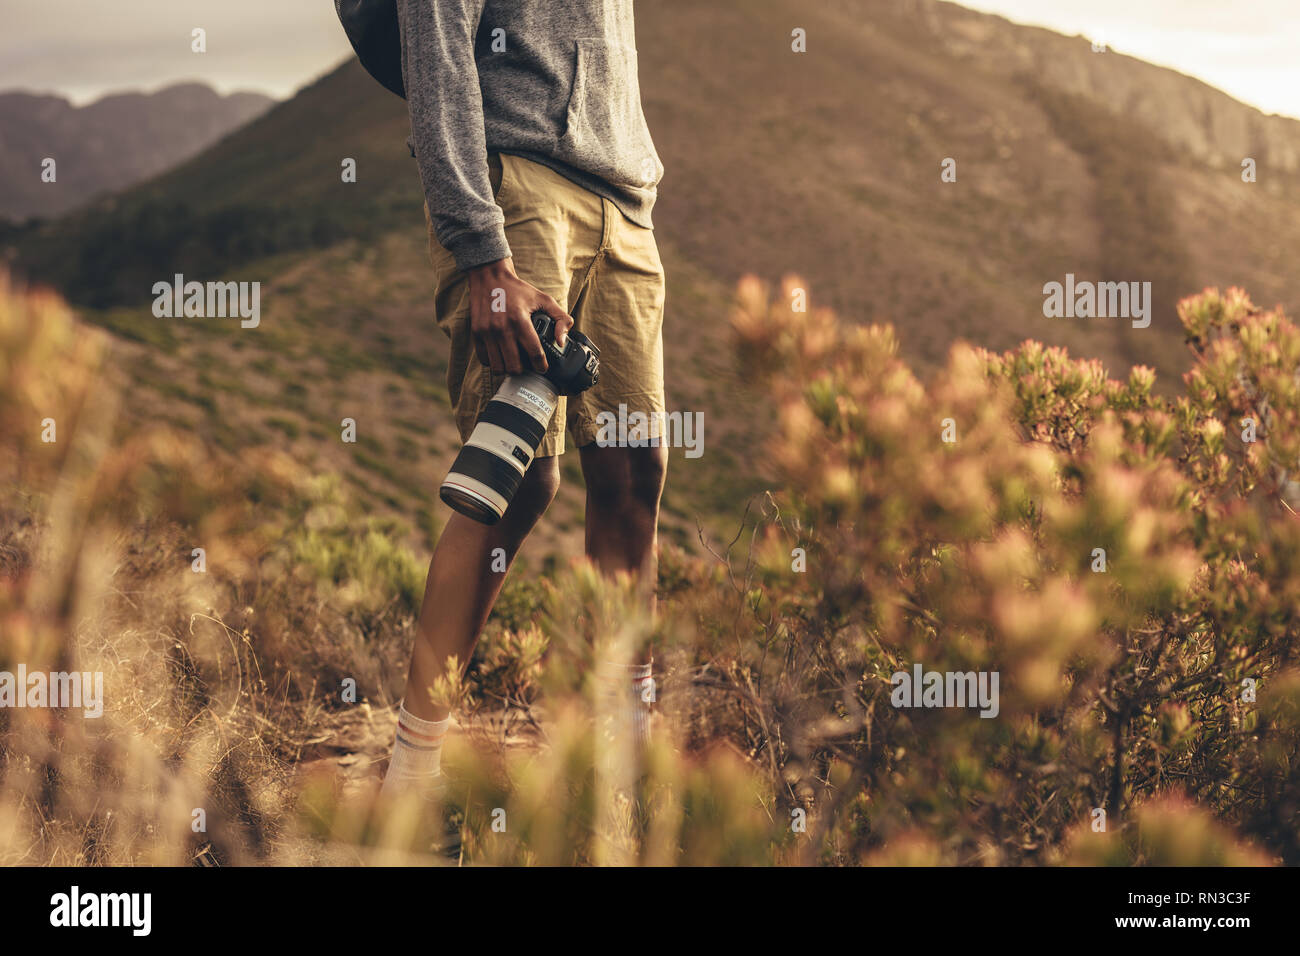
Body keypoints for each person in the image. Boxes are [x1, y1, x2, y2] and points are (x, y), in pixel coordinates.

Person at [381, 0, 667, 799]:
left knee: (633, 472)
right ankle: (411, 778)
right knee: (517, 478)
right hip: (517, 188)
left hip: (624, 203)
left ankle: (624, 767)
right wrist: (482, 253)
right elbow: (437, 47)